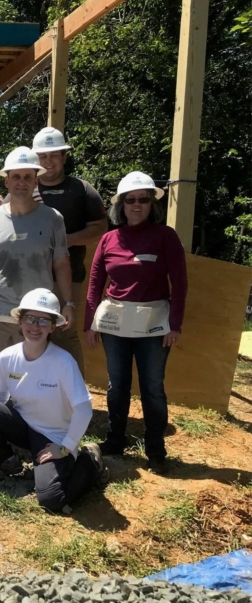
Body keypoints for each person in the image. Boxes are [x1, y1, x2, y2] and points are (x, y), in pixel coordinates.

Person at [0, 289, 108, 513]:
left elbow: (84, 408)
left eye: (43, 320)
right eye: (30, 318)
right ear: (19, 321)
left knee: (52, 499)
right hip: (22, 426)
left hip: (52, 436)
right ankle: (5, 461)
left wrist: (66, 446)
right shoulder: (7, 357)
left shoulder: (62, 362)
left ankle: (89, 461)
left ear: (53, 327)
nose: (35, 326)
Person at [85, 172, 188, 472]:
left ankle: (155, 450)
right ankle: (115, 441)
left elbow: (179, 283)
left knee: (153, 387)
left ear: (152, 203)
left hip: (154, 325)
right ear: (121, 204)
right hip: (116, 324)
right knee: (117, 385)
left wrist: (175, 324)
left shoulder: (165, 236)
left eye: (144, 199)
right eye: (131, 200)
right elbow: (95, 283)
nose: (137, 205)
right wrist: (90, 323)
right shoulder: (108, 239)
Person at [0, 147, 73, 408]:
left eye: (27, 177)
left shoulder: (52, 219)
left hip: (34, 318)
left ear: (36, 180)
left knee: (27, 381)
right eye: (16, 177)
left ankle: (18, 435)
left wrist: (69, 303)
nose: (21, 182)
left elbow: (61, 264)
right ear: (6, 180)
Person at [27, 127, 107, 371]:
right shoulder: (24, 187)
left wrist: (68, 240)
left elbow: (100, 227)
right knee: (28, 334)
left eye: (54, 155)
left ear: (63, 156)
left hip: (68, 277)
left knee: (64, 333)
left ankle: (74, 398)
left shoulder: (82, 190)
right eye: (42, 156)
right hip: (27, 277)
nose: (48, 162)